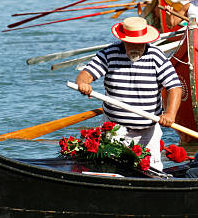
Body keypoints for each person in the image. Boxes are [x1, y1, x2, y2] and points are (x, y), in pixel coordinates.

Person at [75, 17, 182, 170]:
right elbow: (85, 74)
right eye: (130, 43)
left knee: (151, 171)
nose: (134, 48)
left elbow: (175, 87)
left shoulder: (156, 57)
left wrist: (170, 114)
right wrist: (83, 83)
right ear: (123, 40)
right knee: (109, 169)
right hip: (114, 128)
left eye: (138, 44)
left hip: (147, 131)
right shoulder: (109, 53)